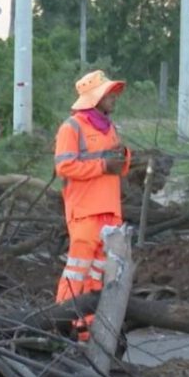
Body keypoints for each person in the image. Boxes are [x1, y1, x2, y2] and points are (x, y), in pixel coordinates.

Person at [54, 70, 131, 341]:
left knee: (98, 274)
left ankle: (87, 331)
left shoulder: (109, 127)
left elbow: (118, 166)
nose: (113, 98)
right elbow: (64, 166)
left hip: (109, 210)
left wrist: (124, 157)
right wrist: (103, 165)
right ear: (95, 98)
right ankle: (60, 325)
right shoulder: (71, 127)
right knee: (77, 270)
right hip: (85, 211)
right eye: (109, 94)